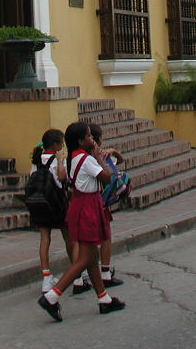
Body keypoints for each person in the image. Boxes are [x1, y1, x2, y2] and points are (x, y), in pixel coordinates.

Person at [38, 122, 124, 321]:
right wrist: (100, 157)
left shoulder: (74, 157)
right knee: (85, 258)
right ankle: (52, 296)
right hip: (88, 207)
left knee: (91, 256)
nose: (92, 139)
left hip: (81, 205)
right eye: (88, 136)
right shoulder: (86, 159)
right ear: (80, 141)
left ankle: (104, 298)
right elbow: (108, 178)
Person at [76, 123, 124, 291]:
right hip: (96, 201)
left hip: (83, 203)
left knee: (83, 242)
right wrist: (107, 155)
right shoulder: (92, 159)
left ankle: (81, 278)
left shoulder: (78, 157)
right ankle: (104, 273)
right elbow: (109, 175)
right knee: (105, 238)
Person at [30, 129, 72, 294]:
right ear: (55, 145)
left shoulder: (37, 160)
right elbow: (62, 177)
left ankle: (46, 277)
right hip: (57, 203)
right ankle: (76, 271)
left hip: (41, 203)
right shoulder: (56, 159)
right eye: (61, 143)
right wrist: (61, 161)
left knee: (44, 238)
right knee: (68, 236)